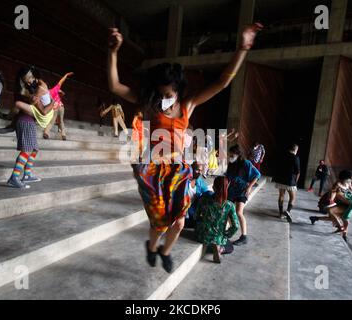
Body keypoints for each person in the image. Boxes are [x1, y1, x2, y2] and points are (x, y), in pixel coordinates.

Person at [107, 23, 263, 272]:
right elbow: (115, 86)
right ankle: (152, 246)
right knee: (159, 223)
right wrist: (114, 51)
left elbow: (222, 82)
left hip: (179, 171)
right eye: (159, 93)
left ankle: (165, 252)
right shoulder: (149, 104)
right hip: (154, 170)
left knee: (179, 224)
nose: (163, 98)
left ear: (177, 90)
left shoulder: (187, 105)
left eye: (167, 93)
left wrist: (242, 49)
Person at [6, 66, 56, 188]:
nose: (28, 82)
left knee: (34, 149)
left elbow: (40, 107)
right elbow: (41, 109)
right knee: (27, 150)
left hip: (30, 121)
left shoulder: (34, 88)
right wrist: (54, 102)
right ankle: (14, 177)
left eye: (29, 79)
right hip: (25, 121)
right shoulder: (29, 90)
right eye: (25, 80)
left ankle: (27, 174)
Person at [195, 176, 239, 263]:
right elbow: (235, 226)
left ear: (213, 187)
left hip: (202, 234)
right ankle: (219, 248)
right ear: (227, 188)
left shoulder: (203, 199)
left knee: (207, 234)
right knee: (230, 247)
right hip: (218, 235)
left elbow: (196, 216)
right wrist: (226, 234)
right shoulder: (229, 205)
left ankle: (213, 244)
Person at [225, 145, 261, 245]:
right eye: (229, 154)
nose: (230, 156)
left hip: (242, 191)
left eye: (232, 154)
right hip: (232, 191)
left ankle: (244, 236)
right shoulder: (231, 163)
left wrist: (249, 187)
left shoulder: (246, 163)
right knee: (228, 211)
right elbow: (228, 177)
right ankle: (226, 232)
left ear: (238, 154)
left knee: (238, 212)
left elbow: (257, 175)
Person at [310, 170, 352, 241]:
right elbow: (333, 193)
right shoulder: (337, 184)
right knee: (334, 215)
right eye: (349, 178)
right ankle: (342, 231)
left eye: (351, 178)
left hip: (348, 205)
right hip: (340, 203)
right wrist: (331, 201)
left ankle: (344, 234)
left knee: (340, 218)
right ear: (344, 177)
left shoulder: (349, 183)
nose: (351, 180)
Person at [274, 144, 301, 223]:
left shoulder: (281, 156)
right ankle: (288, 211)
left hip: (280, 180)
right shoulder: (295, 158)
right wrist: (296, 182)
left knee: (281, 196)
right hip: (290, 181)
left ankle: (280, 213)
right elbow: (297, 171)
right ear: (295, 150)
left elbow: (277, 166)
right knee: (292, 197)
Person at [43, 72, 74, 140]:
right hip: (61, 107)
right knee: (61, 121)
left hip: (54, 108)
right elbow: (61, 81)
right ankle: (63, 135)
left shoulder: (46, 94)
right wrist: (66, 75)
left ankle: (46, 133)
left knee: (52, 121)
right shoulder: (55, 90)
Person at [185, 162, 213, 229]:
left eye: (201, 171)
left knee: (209, 194)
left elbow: (207, 192)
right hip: (182, 206)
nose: (199, 172)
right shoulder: (184, 180)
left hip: (192, 207)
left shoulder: (199, 181)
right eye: (197, 170)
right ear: (191, 169)